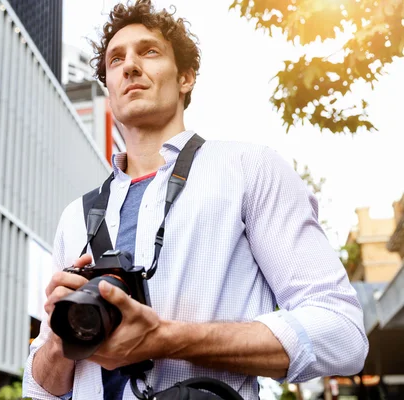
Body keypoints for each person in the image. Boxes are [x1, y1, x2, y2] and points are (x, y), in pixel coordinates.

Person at [22, 1, 369, 399]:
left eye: (148, 51)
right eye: (116, 59)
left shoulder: (249, 169)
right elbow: (40, 390)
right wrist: (60, 340)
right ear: (109, 88)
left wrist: (167, 339)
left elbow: (342, 331)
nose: (130, 66)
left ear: (186, 77)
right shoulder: (74, 217)